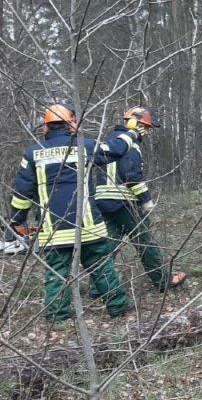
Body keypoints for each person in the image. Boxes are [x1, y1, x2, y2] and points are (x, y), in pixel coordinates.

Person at [9, 104, 138, 322]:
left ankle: (57, 317)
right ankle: (118, 307)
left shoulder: (32, 153)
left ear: (45, 127)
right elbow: (116, 149)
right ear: (72, 124)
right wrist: (130, 132)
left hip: (53, 231)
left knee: (56, 274)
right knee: (102, 267)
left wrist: (16, 221)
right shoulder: (84, 146)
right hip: (88, 226)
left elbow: (22, 193)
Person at [93, 106, 187, 292]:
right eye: (146, 127)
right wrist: (146, 199)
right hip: (124, 202)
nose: (148, 132)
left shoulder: (111, 141)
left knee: (108, 244)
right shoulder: (130, 145)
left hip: (103, 201)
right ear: (135, 124)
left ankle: (99, 286)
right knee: (144, 241)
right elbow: (131, 176)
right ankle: (163, 280)